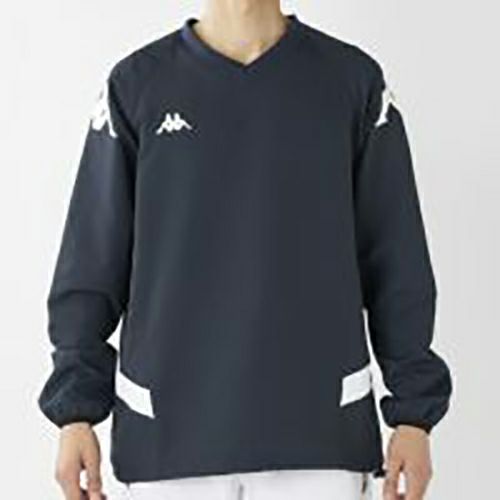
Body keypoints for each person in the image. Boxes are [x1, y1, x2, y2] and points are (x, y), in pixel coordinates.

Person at [38, 1, 452, 499]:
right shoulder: (136, 87)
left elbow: (397, 263)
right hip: (170, 440)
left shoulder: (352, 83)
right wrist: (75, 414)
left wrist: (413, 415)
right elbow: (91, 264)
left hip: (318, 439)